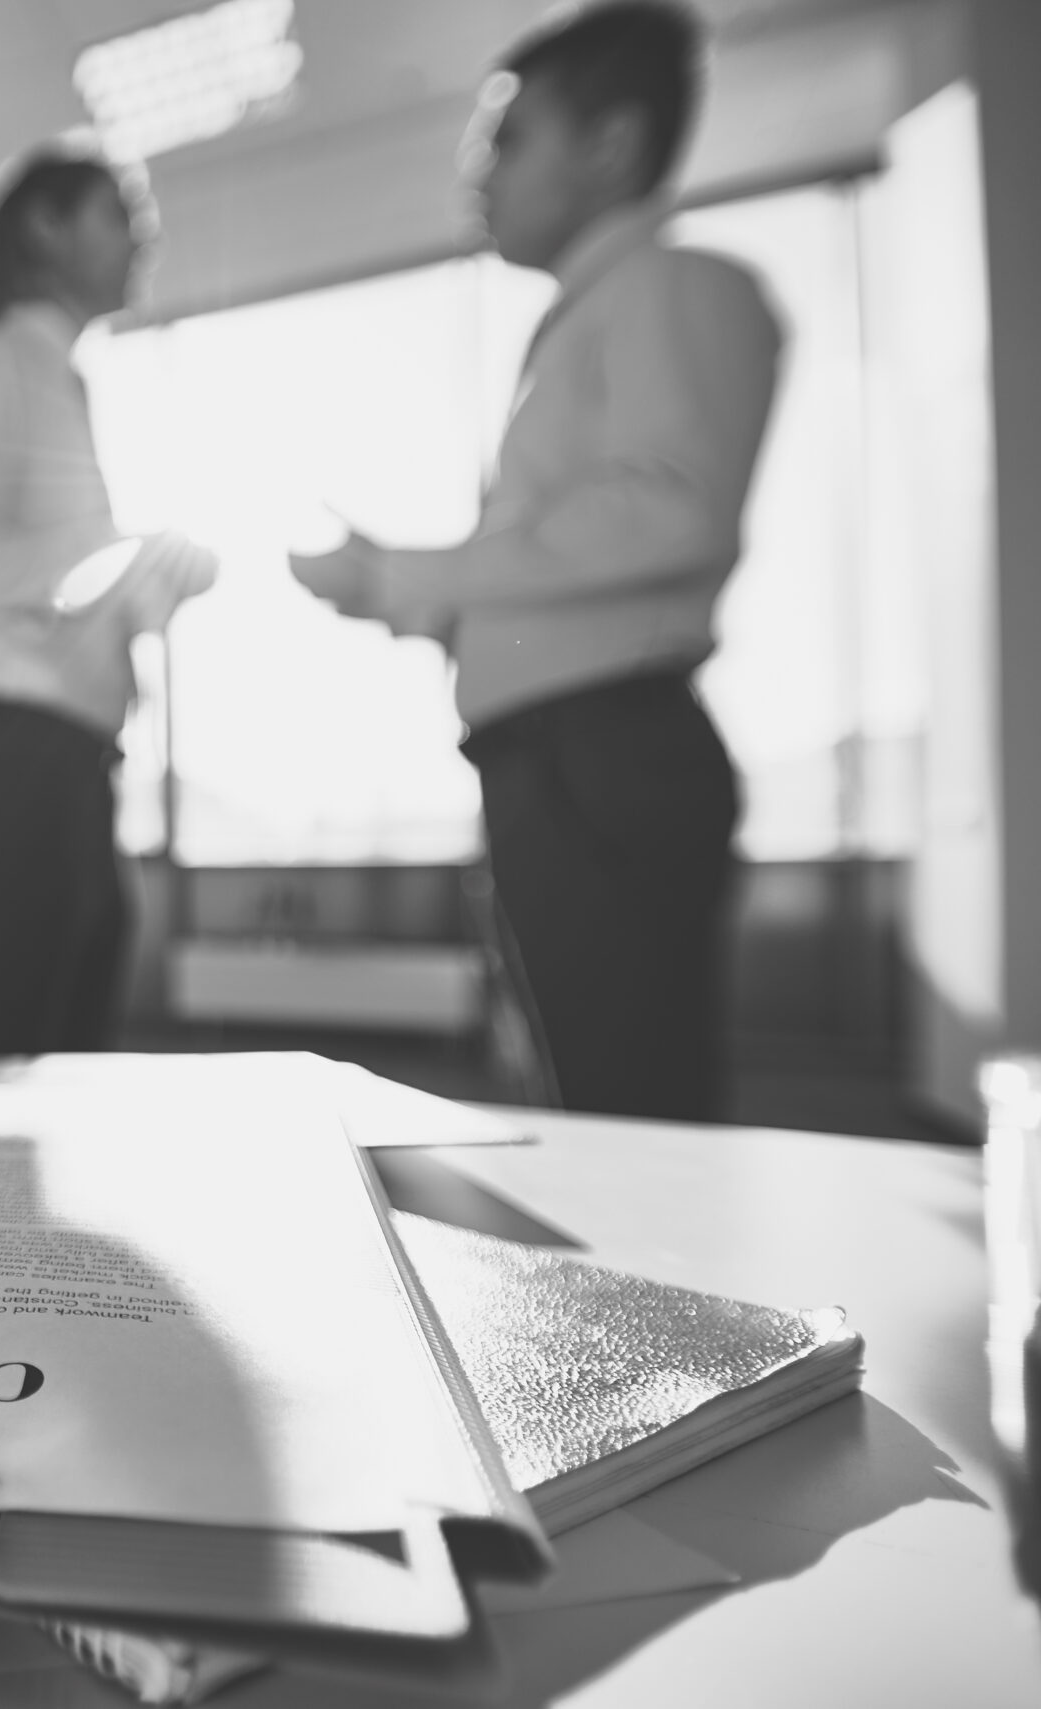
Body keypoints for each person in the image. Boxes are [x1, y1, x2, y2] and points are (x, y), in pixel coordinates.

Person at [291, 0, 779, 1121]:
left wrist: (418, 569)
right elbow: (564, 577)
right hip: (555, 762)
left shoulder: (673, 288)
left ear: (609, 143)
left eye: (505, 136)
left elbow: (668, 515)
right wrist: (389, 589)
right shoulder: (587, 317)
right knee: (587, 1097)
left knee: (626, 1110)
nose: (474, 169)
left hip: (602, 757)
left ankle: (660, 1308)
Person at [0, 142, 217, 1056]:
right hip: (15, 767)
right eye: (121, 213)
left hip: (73, 771)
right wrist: (124, 559)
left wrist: (153, 582)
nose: (145, 237)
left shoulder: (54, 379)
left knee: (63, 1063)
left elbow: (66, 582)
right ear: (46, 225)